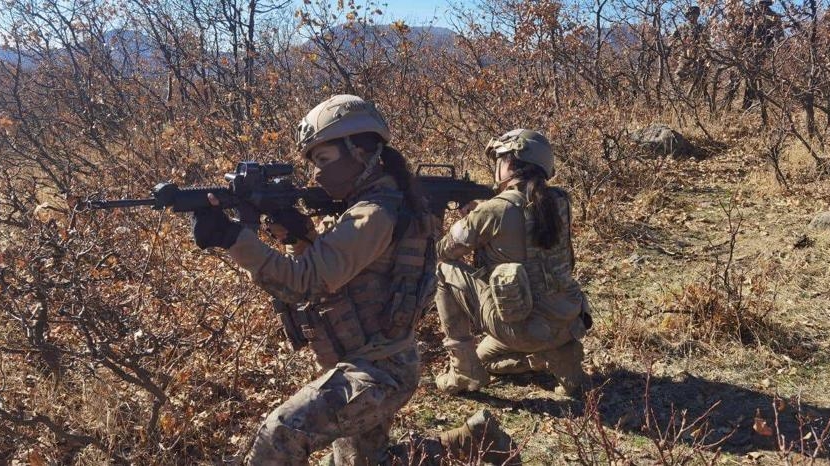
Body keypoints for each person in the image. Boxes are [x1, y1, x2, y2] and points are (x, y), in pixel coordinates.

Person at [189, 95, 518, 465]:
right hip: (378, 360)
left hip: (376, 372)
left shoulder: (372, 213)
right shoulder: (380, 201)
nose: (317, 173)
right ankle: (472, 441)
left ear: (359, 151)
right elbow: (347, 271)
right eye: (313, 163)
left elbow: (303, 283)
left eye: (324, 159)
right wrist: (302, 236)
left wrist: (232, 238)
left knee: (280, 433)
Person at [433, 129, 592, 398]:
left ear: (510, 162)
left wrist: (461, 222)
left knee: (442, 271)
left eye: (499, 159)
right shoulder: (560, 201)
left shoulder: (495, 209)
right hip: (567, 321)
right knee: (486, 359)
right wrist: (481, 216)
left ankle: (463, 371)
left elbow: (444, 251)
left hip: (523, 328)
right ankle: (553, 358)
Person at [671, 5, 708, 98]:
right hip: (685, 56)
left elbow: (707, 43)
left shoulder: (702, 28)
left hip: (699, 57)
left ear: (698, 15)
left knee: (700, 80)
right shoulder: (682, 27)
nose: (693, 16)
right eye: (691, 14)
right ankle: (675, 98)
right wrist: (677, 47)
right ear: (688, 16)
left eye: (695, 14)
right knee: (679, 76)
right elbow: (672, 38)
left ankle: (696, 101)